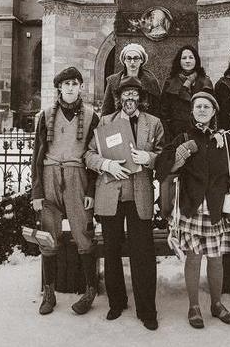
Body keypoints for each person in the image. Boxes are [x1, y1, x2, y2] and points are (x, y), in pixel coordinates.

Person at [156, 92, 230, 329]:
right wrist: (180, 154)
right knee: (193, 257)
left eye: (206, 107)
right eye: (198, 106)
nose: (202, 110)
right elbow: (162, 168)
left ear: (214, 112)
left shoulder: (226, 141)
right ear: (192, 111)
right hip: (192, 207)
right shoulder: (184, 137)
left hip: (217, 207)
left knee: (216, 258)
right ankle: (194, 306)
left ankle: (217, 304)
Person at [85, 76, 165, 331]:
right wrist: (105, 164)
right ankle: (116, 302)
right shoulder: (106, 122)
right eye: (125, 94)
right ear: (118, 98)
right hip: (111, 195)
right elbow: (88, 154)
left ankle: (146, 308)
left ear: (141, 98)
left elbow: (165, 156)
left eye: (134, 94)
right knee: (111, 250)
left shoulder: (153, 124)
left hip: (139, 195)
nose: (129, 99)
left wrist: (149, 158)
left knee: (143, 253)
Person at [31, 67, 101, 316]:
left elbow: (96, 155)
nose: (70, 88)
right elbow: (37, 155)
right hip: (50, 175)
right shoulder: (46, 115)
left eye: (75, 83)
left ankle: (90, 289)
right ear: (59, 88)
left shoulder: (92, 116)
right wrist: (37, 191)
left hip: (77, 176)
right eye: (66, 84)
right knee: (49, 236)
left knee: (83, 234)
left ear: (81, 86)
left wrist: (91, 188)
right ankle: (49, 291)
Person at [161, 44, 213, 141]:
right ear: (179, 61)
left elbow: (212, 111)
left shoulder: (205, 82)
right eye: (184, 58)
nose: (187, 61)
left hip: (200, 133)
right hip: (176, 133)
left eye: (191, 57)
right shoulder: (170, 82)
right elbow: (164, 112)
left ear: (196, 60)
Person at [101, 43, 161, 118]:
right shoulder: (113, 81)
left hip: (144, 125)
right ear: (124, 61)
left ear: (141, 60)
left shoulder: (150, 81)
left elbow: (157, 110)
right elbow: (106, 110)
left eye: (136, 58)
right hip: (119, 125)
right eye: (129, 58)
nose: (132, 62)